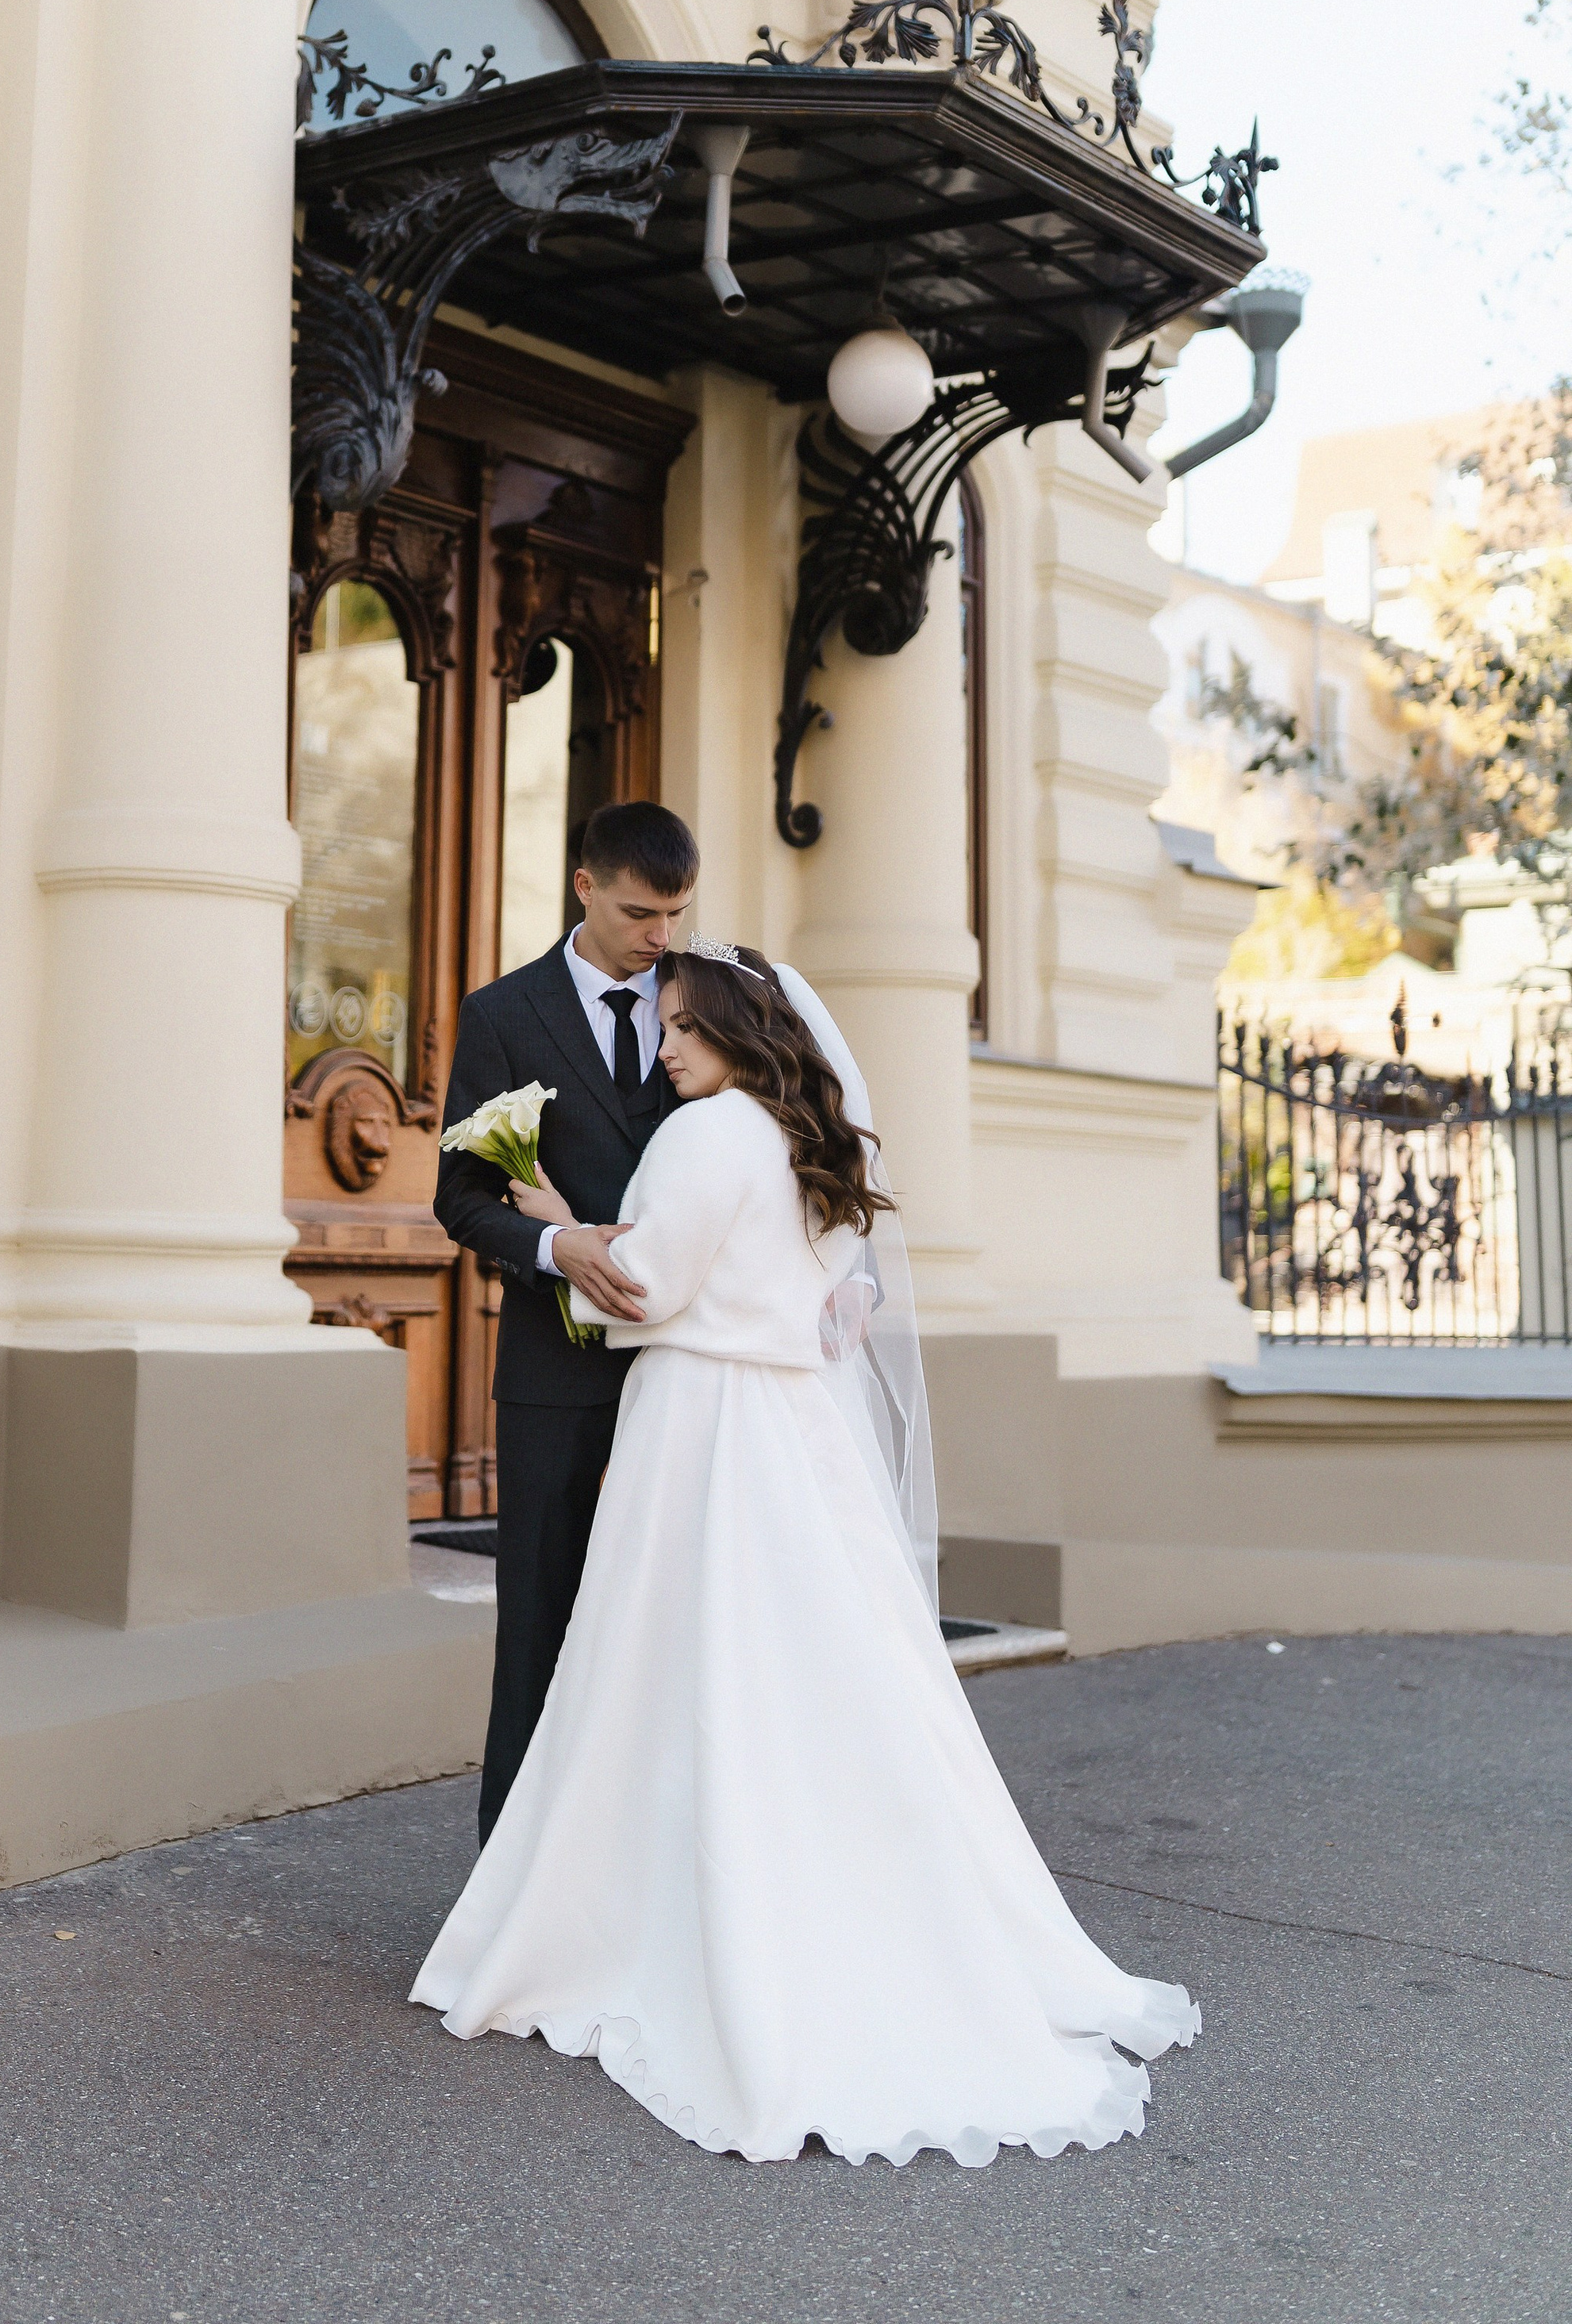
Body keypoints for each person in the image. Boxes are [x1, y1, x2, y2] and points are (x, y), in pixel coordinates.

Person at [413, 941, 1200, 2168]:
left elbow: (651, 1292)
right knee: (817, 1672)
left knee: (665, 1667)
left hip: (703, 1430)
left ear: (731, 1027)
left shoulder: (700, 1135)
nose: (663, 1046)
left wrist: (565, 1232)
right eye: (663, 1024)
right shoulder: (806, 1141)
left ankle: (628, 1912)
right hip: (791, 1428)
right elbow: (815, 1287)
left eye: (681, 1026)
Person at [432, 800, 698, 1842]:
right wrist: (559, 1248)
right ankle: (508, 1895)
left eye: (676, 913)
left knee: (655, 1634)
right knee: (538, 1633)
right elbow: (460, 1199)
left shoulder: (702, 1004)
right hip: (550, 1378)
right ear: (584, 887)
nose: (660, 937)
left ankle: (636, 1876)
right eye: (640, 911)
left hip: (678, 1374)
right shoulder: (502, 1015)